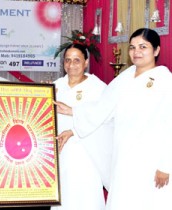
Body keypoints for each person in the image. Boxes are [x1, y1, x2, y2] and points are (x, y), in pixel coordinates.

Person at [55, 28, 172, 210]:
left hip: (151, 159)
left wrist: (165, 165)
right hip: (124, 155)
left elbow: (169, 124)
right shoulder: (125, 77)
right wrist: (73, 111)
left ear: (156, 50)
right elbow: (103, 108)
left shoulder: (165, 80)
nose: (136, 52)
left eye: (143, 47)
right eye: (132, 47)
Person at [51, 44, 112, 210]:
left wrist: (73, 132)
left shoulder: (98, 88)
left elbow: (106, 120)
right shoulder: (55, 86)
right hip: (60, 154)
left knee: (86, 200)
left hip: (86, 155)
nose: (71, 65)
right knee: (62, 199)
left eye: (77, 60)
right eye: (68, 60)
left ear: (86, 62)